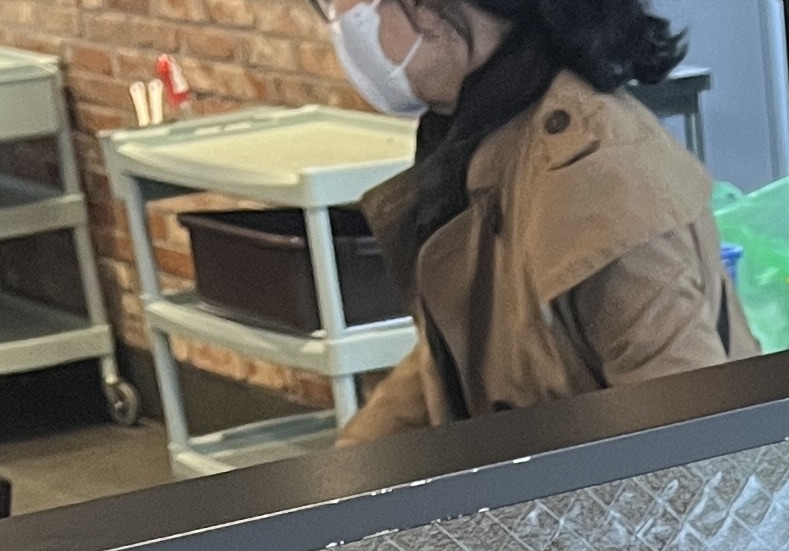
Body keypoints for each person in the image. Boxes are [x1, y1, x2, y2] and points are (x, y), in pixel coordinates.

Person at [321, 0, 756, 440]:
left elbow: (694, 439)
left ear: (430, 11)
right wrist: (351, 463)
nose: (338, 19)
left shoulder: (598, 176)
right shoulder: (487, 135)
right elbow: (468, 346)